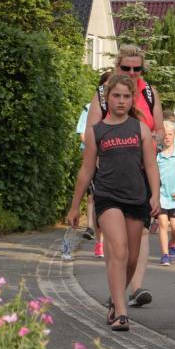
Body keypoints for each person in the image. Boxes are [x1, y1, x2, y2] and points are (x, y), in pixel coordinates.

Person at [68, 74, 161, 332]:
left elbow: (151, 166)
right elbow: (86, 170)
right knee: (118, 250)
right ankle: (121, 312)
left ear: (132, 100)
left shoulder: (140, 129)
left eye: (126, 96)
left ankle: (115, 299)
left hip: (136, 198)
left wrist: (155, 194)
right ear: (107, 98)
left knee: (131, 259)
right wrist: (75, 205)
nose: (121, 101)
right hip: (107, 197)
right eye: (116, 96)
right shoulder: (96, 131)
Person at [86, 44, 165, 307]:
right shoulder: (104, 94)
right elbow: (92, 132)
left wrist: (153, 139)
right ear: (117, 66)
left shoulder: (149, 93)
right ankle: (118, 290)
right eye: (126, 68)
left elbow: (160, 130)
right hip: (110, 173)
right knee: (116, 241)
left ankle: (136, 286)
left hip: (141, 171)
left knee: (141, 233)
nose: (132, 73)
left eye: (137, 69)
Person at [156, 120, 175, 264]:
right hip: (161, 196)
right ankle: (165, 254)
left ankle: (173, 243)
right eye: (165, 134)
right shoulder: (157, 155)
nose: (167, 137)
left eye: (170, 134)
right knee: (163, 224)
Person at [74, 104, 101, 249]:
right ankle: (90, 226)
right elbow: (82, 134)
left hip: (108, 156)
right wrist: (94, 151)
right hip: (91, 154)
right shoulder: (88, 108)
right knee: (91, 193)